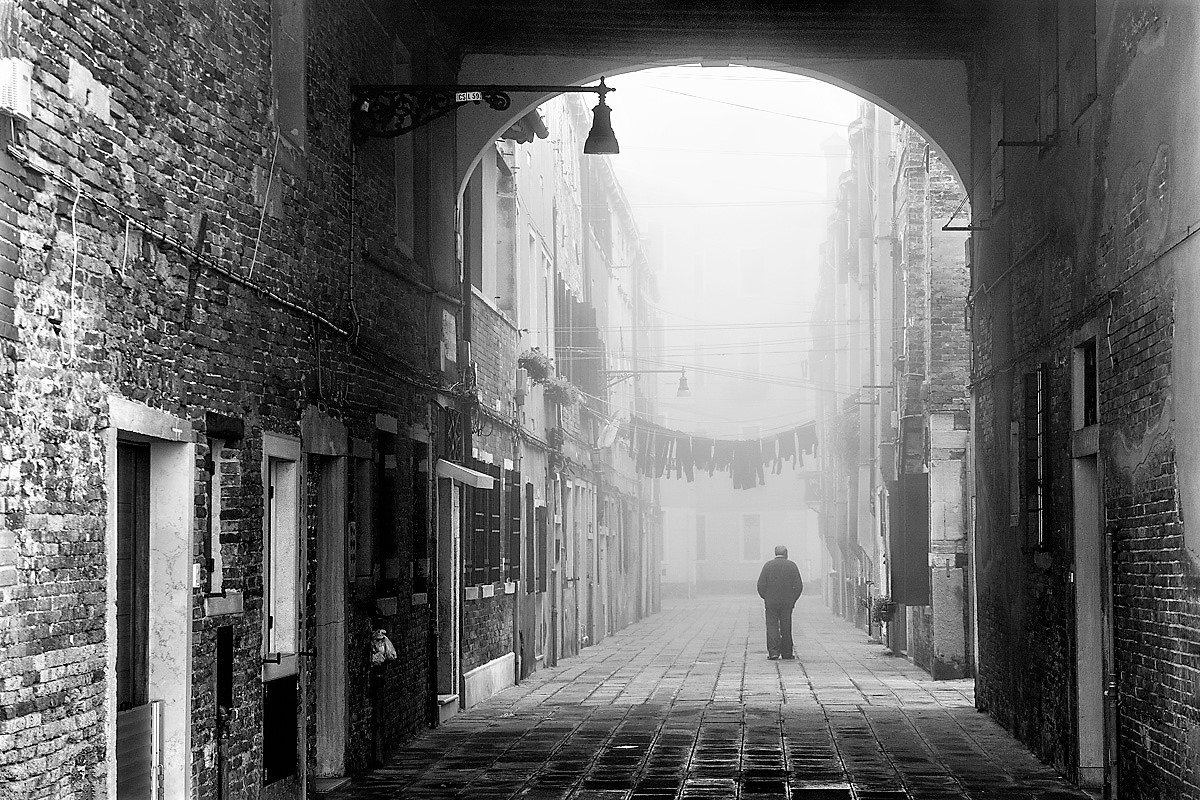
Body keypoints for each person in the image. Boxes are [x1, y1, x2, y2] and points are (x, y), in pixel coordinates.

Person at [756, 545, 804, 660]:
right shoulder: (791, 566)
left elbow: (761, 585)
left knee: (772, 626)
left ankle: (773, 652)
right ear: (786, 553)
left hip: (771, 602)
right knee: (786, 626)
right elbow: (798, 586)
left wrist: (766, 597)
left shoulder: (768, 566)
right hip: (787, 603)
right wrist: (793, 599)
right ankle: (787, 652)